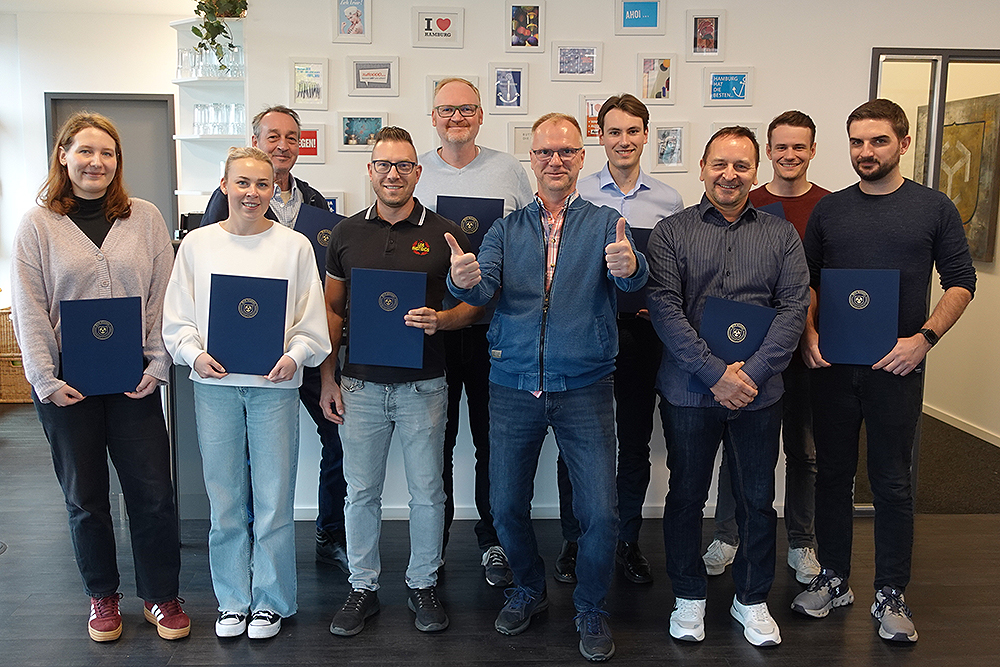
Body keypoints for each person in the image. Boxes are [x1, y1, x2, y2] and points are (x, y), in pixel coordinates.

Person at [448, 112, 648, 662]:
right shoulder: (505, 229)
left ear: (581, 158)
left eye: (566, 151)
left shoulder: (607, 223)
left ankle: (591, 606)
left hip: (585, 386)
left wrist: (631, 266)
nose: (555, 161)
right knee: (505, 504)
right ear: (531, 159)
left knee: (600, 512)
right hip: (513, 385)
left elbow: (632, 279)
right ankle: (529, 589)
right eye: (544, 152)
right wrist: (462, 280)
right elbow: (482, 285)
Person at [792, 99, 976, 643]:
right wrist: (808, 334)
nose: (865, 151)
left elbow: (962, 281)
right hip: (832, 367)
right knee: (832, 475)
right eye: (857, 141)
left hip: (896, 368)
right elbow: (807, 281)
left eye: (878, 141)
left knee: (892, 481)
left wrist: (924, 340)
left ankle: (891, 591)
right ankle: (834, 578)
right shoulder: (830, 210)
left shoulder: (933, 208)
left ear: (903, 143)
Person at [10, 112, 189, 642]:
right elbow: (28, 306)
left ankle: (161, 595)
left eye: (107, 153)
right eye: (85, 151)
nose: (97, 162)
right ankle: (102, 596)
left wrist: (158, 362)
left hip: (134, 383)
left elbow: (161, 295)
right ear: (63, 156)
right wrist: (44, 378)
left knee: (153, 494)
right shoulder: (37, 224)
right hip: (68, 387)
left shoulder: (145, 218)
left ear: (118, 162)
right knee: (85, 498)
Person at [646, 126, 809, 646]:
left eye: (741, 165)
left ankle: (752, 600)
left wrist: (751, 375)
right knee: (685, 497)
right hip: (689, 392)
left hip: (759, 395)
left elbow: (793, 308)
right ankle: (688, 596)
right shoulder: (671, 232)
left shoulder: (781, 235)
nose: (729, 175)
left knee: (757, 500)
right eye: (719, 163)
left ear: (755, 172)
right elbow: (664, 309)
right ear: (702, 168)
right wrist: (715, 374)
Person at [162, 146, 331, 639]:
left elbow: (311, 321)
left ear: (273, 189)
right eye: (243, 182)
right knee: (226, 500)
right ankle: (233, 601)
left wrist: (295, 356)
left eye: (262, 184)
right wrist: (193, 354)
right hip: (214, 386)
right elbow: (177, 316)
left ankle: (271, 602)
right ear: (224, 185)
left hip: (274, 388)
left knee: (274, 500)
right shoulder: (197, 245)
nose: (252, 193)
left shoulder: (294, 246)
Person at [322, 127, 482, 637]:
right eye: (384, 165)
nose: (394, 174)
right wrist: (328, 377)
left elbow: (476, 305)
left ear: (418, 171)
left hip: (424, 386)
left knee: (428, 492)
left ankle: (423, 583)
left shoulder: (446, 233)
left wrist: (443, 319)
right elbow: (331, 309)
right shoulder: (345, 233)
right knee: (360, 492)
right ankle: (362, 587)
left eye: (404, 165)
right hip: (359, 386)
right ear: (370, 170)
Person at [201, 105, 349, 572]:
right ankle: (246, 538)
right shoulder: (222, 203)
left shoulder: (317, 204)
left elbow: (326, 284)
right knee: (246, 454)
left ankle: (329, 532)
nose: (283, 145)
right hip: (244, 355)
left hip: (302, 346)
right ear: (256, 141)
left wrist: (321, 365)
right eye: (273, 136)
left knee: (338, 435)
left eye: (291, 137)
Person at [554, 93, 684, 587]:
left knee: (633, 441)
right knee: (576, 443)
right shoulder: (578, 192)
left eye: (633, 131)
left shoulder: (669, 200)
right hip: (585, 333)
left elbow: (672, 271)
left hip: (643, 333)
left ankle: (627, 539)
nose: (624, 140)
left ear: (646, 135)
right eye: (614, 131)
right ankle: (575, 538)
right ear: (600, 137)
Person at [413, 77, 534, 588]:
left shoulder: (509, 170)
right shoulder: (415, 171)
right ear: (433, 117)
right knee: (434, 444)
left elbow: (530, 239)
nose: (456, 117)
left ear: (482, 115)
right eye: (446, 109)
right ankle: (432, 547)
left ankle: (493, 541)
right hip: (432, 331)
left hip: (495, 331)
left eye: (467, 108)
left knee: (492, 443)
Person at [703, 111, 829, 585]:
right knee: (737, 450)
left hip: (805, 351)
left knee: (803, 450)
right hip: (745, 355)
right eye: (781, 146)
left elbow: (821, 282)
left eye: (799, 146)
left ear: (812, 150)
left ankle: (802, 541)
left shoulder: (829, 206)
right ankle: (727, 535)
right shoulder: (743, 200)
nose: (790, 155)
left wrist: (809, 333)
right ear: (768, 154)